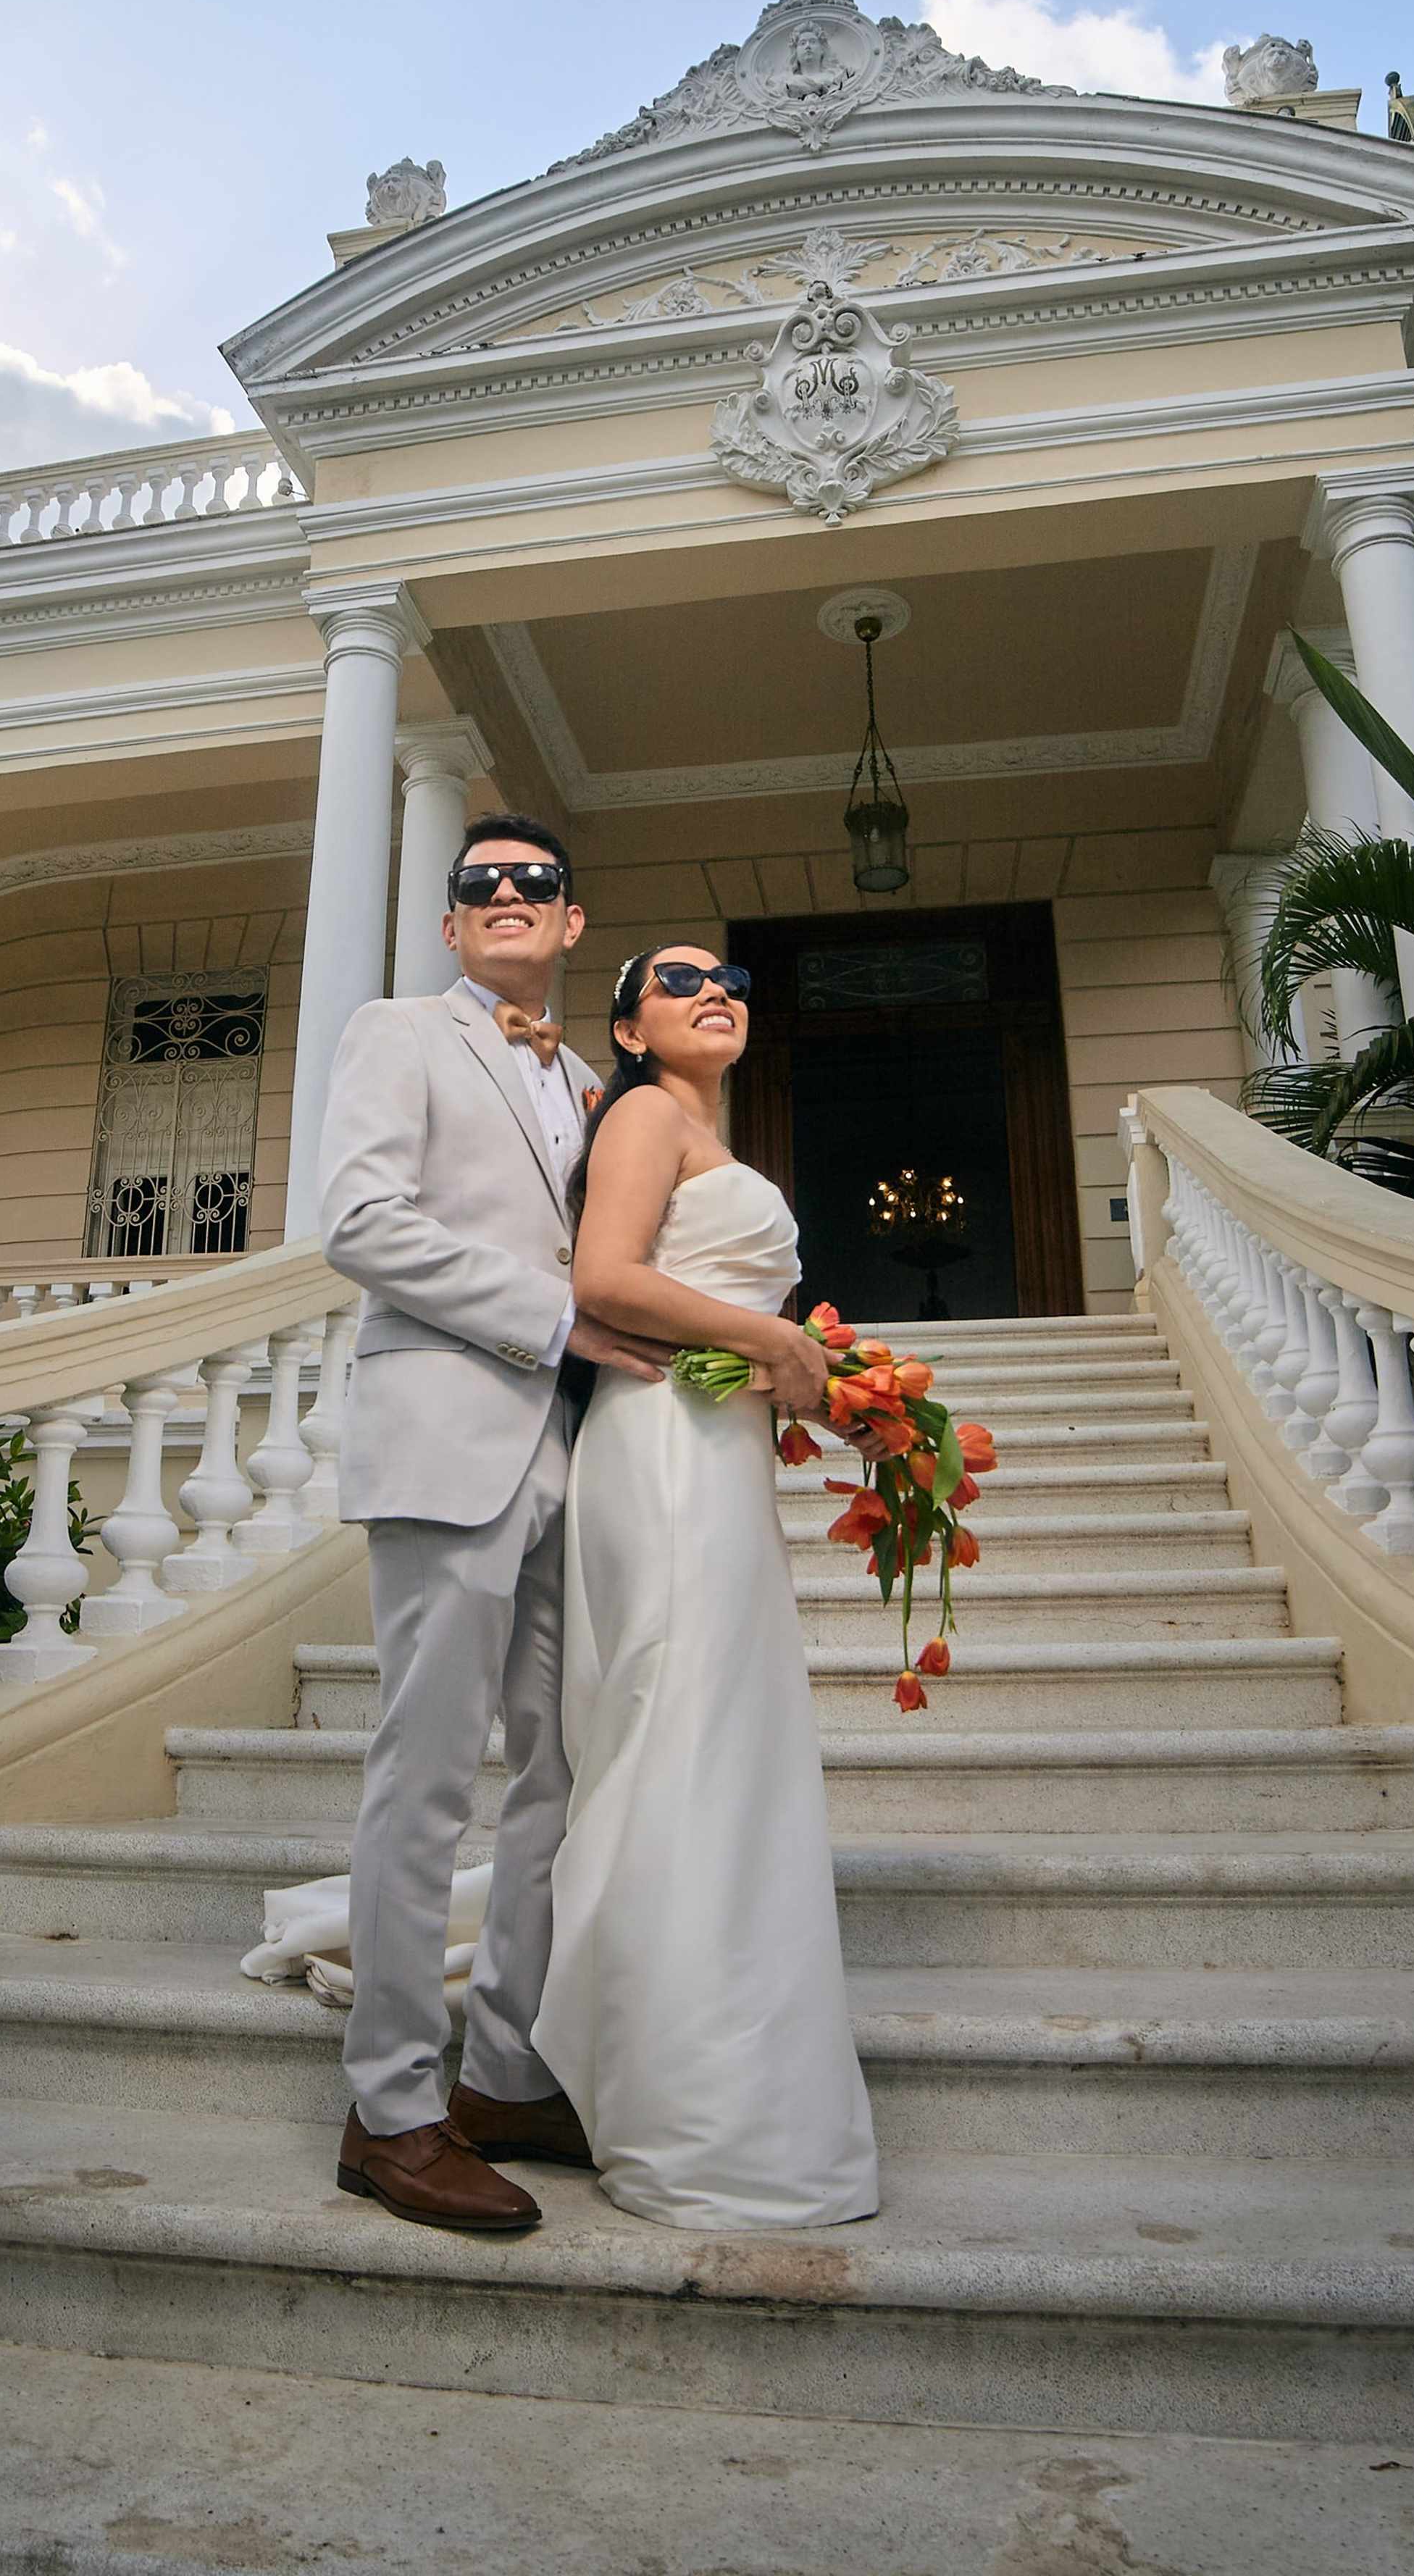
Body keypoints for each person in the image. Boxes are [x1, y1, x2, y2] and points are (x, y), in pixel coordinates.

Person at [317, 815, 669, 2233]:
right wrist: (552, 1318)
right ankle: (390, 2107)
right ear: (455, 922)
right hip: (447, 1442)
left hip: (579, 1456)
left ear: (571, 922)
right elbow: (359, 1221)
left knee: (560, 1778)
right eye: (481, 885)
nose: (508, 895)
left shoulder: (596, 1086)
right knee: (426, 1778)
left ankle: (505, 2074)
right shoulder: (397, 1033)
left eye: (535, 882)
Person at [530, 943, 880, 2228]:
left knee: (724, 1738)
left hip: (718, 1448)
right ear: (629, 1029)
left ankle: (728, 2058)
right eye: (677, 982)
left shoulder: (704, 1134)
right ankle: (685, 2094)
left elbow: (705, 1308)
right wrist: (773, 1335)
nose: (714, 990)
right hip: (665, 1450)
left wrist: (825, 1386)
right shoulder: (640, 1115)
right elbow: (605, 1280)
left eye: (728, 976)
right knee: (682, 1727)